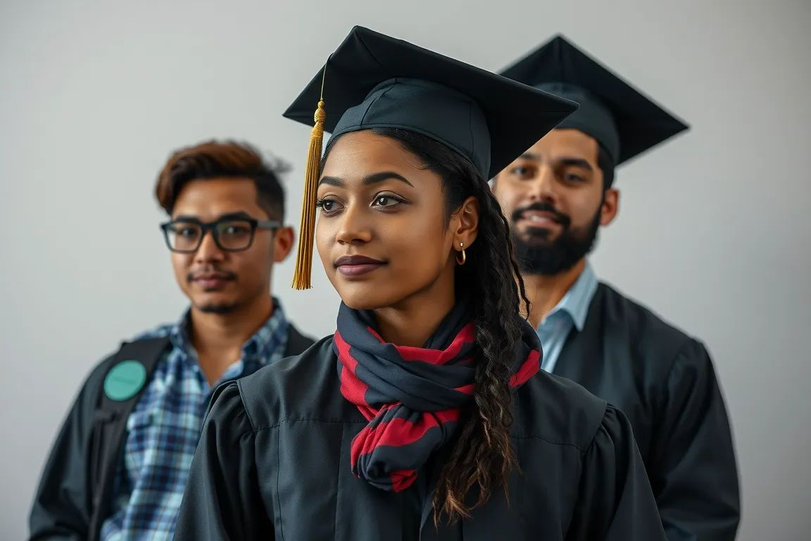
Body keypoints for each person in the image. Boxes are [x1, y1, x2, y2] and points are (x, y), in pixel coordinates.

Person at [174, 27, 667, 540]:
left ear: (464, 222)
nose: (348, 229)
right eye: (329, 203)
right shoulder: (258, 418)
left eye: (387, 199)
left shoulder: (578, 434)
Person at [492, 35, 740, 540]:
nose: (542, 189)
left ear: (608, 204)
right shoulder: (431, 335)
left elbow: (697, 525)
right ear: (492, 189)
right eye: (523, 169)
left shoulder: (671, 363)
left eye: (572, 175)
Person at [29, 140, 315, 540]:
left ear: (283, 242)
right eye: (187, 231)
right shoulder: (124, 374)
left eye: (233, 230)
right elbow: (59, 520)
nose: (206, 253)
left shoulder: (318, 383)